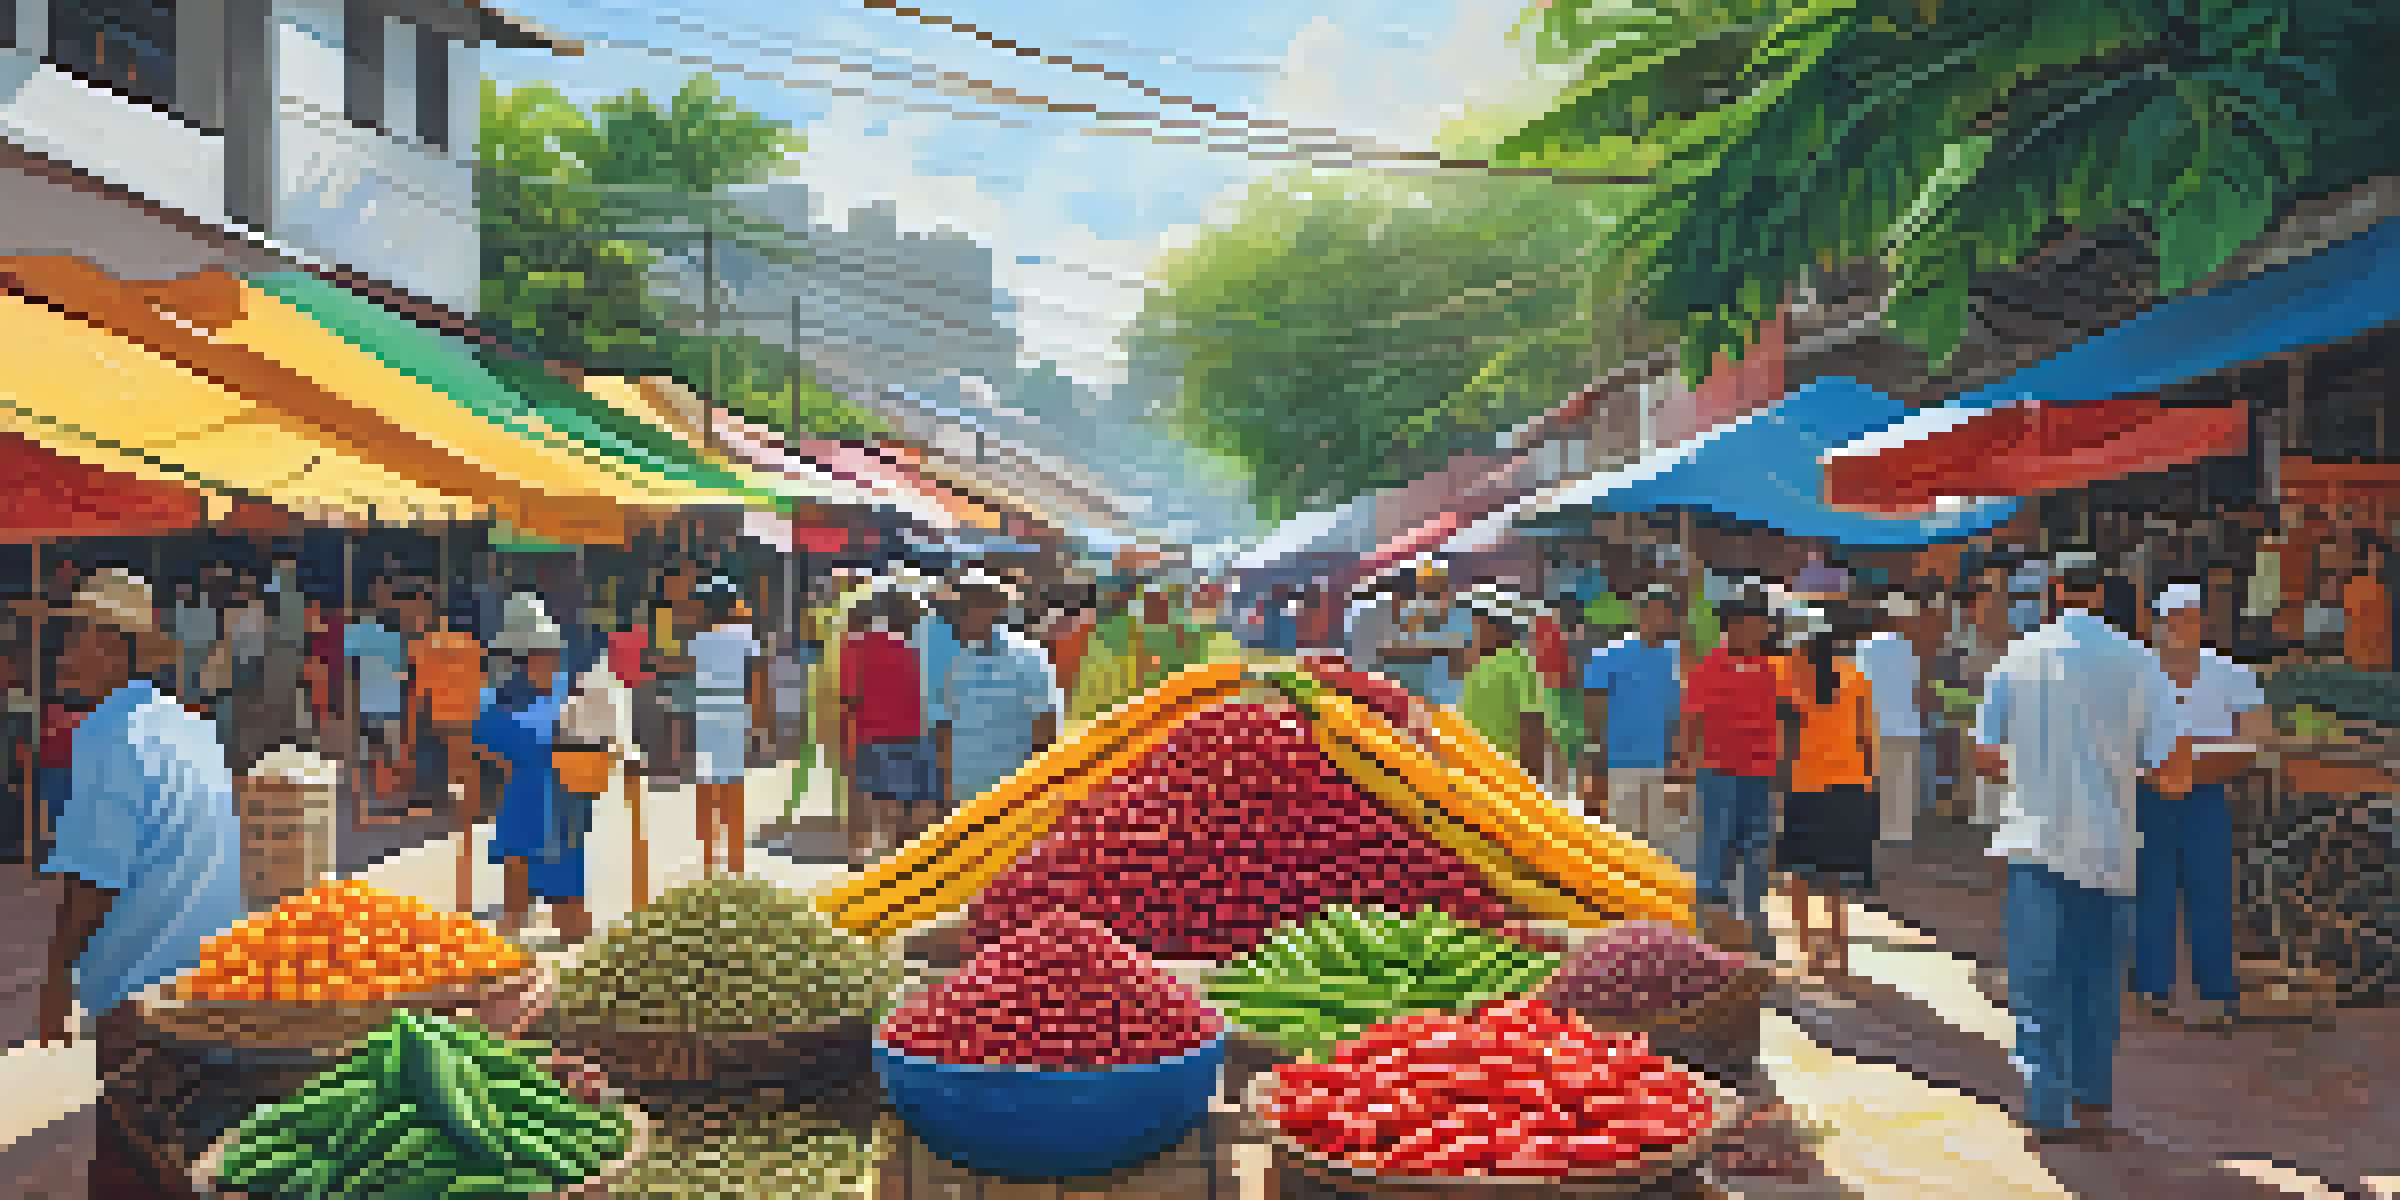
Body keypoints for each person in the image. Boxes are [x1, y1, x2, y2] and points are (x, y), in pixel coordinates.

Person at [36, 569, 245, 1197]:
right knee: (185, 1154)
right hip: (210, 981)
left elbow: (94, 879)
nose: (68, 655)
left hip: (141, 998)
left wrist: (55, 977)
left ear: (116, 646)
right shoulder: (192, 725)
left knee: (136, 1161)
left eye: (80, 638)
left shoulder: (106, 731)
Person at [1974, 561, 2181, 1147]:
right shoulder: (2142, 662)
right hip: (2113, 843)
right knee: (2096, 977)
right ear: (2104, 592)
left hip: (2038, 840)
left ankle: (2046, 1099)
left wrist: (2033, 765)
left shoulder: (2017, 658)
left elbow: (1986, 757)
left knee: (2039, 978)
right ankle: (2091, 1097)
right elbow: (2174, 768)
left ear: (2054, 592)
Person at [2136, 581, 2272, 1025]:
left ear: (2202, 622)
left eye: (2189, 618)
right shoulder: (2136, 675)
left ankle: (2217, 989)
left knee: (2210, 890)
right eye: (2171, 619)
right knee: (2151, 889)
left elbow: (2257, 734)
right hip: (2148, 792)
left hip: (2206, 793)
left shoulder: (2231, 673)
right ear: (2156, 624)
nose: (2180, 627)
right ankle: (2152, 986)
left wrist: (2200, 757)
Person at [474, 592, 591, 943]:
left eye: (552, 651)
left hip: (563, 810)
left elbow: (596, 737)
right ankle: (508, 974)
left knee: (570, 914)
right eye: (542, 652)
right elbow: (482, 749)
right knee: (515, 908)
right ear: (523, 657)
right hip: (524, 807)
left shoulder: (570, 689)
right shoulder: (497, 700)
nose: (551, 658)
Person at [1773, 614, 1880, 980]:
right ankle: (1839, 948)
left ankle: (1806, 948)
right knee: (1836, 873)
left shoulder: (1788, 674)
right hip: (1850, 783)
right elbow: (1867, 736)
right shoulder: (1855, 678)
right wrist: (1870, 780)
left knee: (1799, 872)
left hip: (1806, 784)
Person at [1680, 597, 1785, 958]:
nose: (1763, 630)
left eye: (1765, 624)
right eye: (1757, 623)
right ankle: (1710, 933)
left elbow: (1775, 719)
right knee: (1716, 850)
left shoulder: (1768, 668)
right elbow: (1691, 720)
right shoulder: (1709, 668)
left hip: (1760, 774)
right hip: (1719, 772)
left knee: (1756, 851)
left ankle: (1753, 923)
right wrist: (1684, 770)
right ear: (1735, 626)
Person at [932, 569, 1062, 818]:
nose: (961, 615)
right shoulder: (955, 661)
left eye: (968, 607)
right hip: (964, 798)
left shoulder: (1029, 656)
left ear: (993, 609)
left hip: (1012, 797)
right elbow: (945, 729)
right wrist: (947, 795)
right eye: (959, 608)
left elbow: (1046, 728)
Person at [1581, 585, 1687, 865]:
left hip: (1659, 766)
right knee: (1621, 847)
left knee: (1658, 850)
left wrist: (1678, 767)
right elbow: (1593, 711)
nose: (1657, 617)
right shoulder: (1608, 655)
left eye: (1664, 611)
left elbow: (1677, 716)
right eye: (1651, 609)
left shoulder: (1674, 660)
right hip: (1619, 765)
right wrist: (1597, 764)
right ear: (1637, 612)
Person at [842, 585, 932, 866]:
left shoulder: (857, 646)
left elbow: (849, 699)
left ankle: (863, 863)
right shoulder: (922, 648)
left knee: (874, 805)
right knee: (904, 811)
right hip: (913, 736)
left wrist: (846, 743)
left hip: (871, 736)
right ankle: (899, 866)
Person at [687, 577, 765, 876]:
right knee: (733, 788)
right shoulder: (746, 636)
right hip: (734, 716)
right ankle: (736, 863)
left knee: (708, 790)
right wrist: (757, 721)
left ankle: (710, 861)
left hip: (705, 716)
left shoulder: (698, 639)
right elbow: (756, 682)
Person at [1854, 592, 1932, 846]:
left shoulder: (1864, 647)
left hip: (1875, 727)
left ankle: (1873, 835)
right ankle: (1897, 838)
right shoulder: (1911, 650)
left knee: (1874, 786)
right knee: (1900, 791)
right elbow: (1920, 690)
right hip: (1905, 728)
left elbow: (1856, 689)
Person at [1456, 585, 1551, 778]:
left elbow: (1532, 727)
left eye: (1479, 622)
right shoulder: (1480, 665)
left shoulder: (1519, 664)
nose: (1475, 630)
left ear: (1498, 627)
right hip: (1473, 773)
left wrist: (1533, 781)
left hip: (1504, 777)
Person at [346, 596, 413, 820]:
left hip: (367, 702)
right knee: (393, 751)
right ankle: (393, 798)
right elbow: (404, 674)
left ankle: (366, 803)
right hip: (392, 700)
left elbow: (350, 672)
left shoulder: (354, 634)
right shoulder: (394, 638)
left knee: (369, 752)